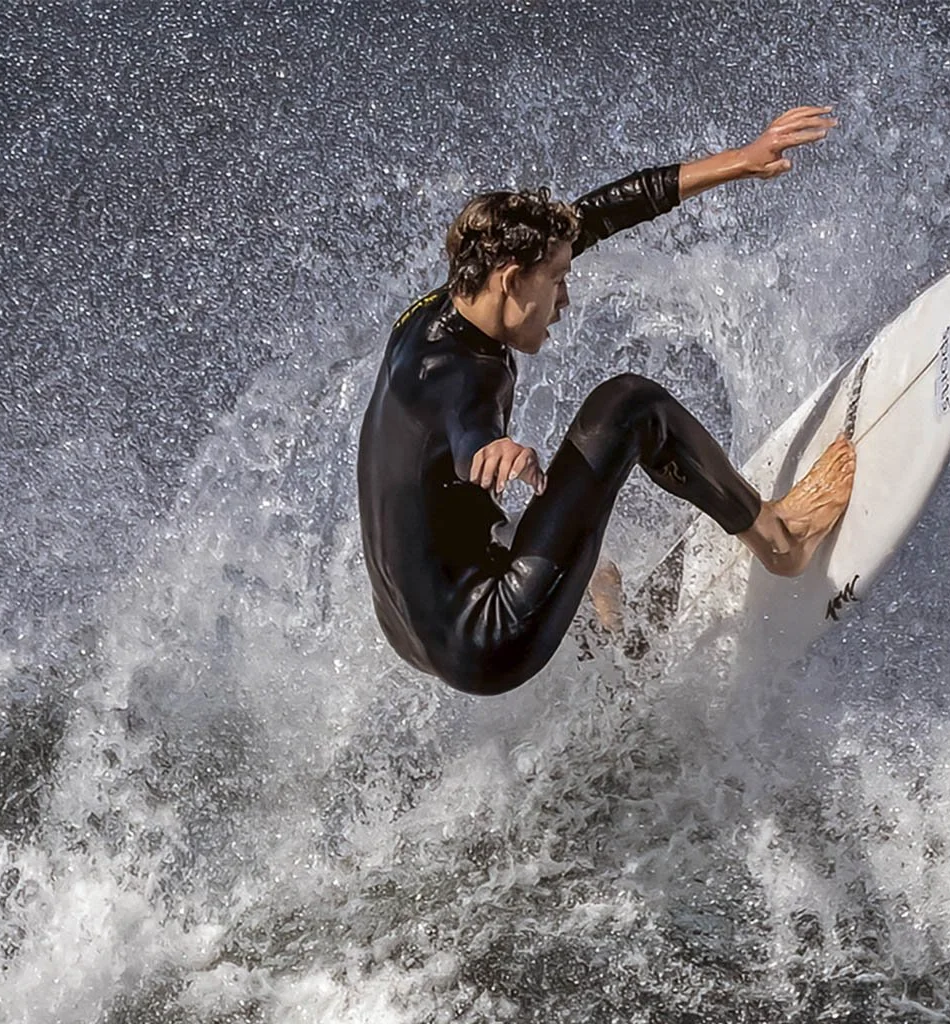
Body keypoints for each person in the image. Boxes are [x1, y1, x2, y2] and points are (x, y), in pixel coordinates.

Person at [357, 107, 856, 695]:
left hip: (411, 629)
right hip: (487, 639)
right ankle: (780, 539)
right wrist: (490, 449)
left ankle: (611, 657)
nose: (565, 298)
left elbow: (600, 213)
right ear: (512, 279)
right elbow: (466, 421)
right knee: (630, 404)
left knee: (598, 572)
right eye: (557, 281)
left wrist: (740, 161)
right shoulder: (458, 376)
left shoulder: (443, 310)